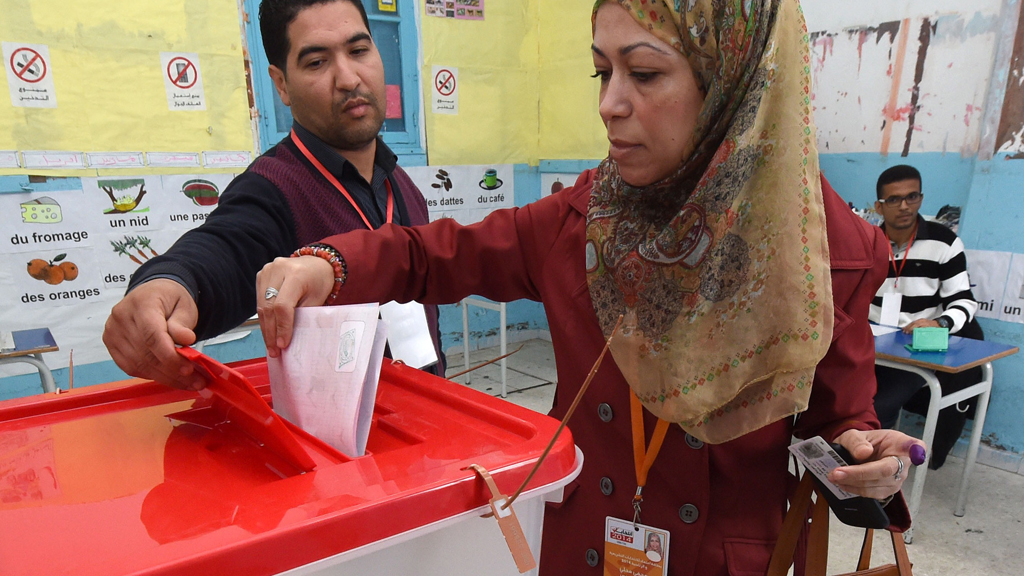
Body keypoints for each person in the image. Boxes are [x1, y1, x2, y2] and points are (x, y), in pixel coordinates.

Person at [256, 1, 925, 574]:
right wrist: (326, 265)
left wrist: (869, 457)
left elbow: (838, 418)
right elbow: (434, 255)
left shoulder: (824, 251)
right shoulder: (588, 219)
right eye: (602, 72)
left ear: (734, 79)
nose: (610, 105)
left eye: (645, 73)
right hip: (586, 547)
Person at [102, 0, 444, 390]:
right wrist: (168, 282)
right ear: (281, 84)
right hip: (339, 446)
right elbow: (223, 248)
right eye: (317, 62)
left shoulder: (402, 185)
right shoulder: (272, 188)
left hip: (433, 424)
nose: (348, 78)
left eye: (358, 50)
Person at [869, 164, 983, 469]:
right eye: (893, 200)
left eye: (912, 196)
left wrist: (940, 323)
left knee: (878, 406)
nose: (904, 206)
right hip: (871, 342)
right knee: (834, 394)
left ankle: (877, 469)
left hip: (911, 347)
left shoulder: (944, 242)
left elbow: (964, 301)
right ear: (879, 206)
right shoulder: (867, 241)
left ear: (921, 198)